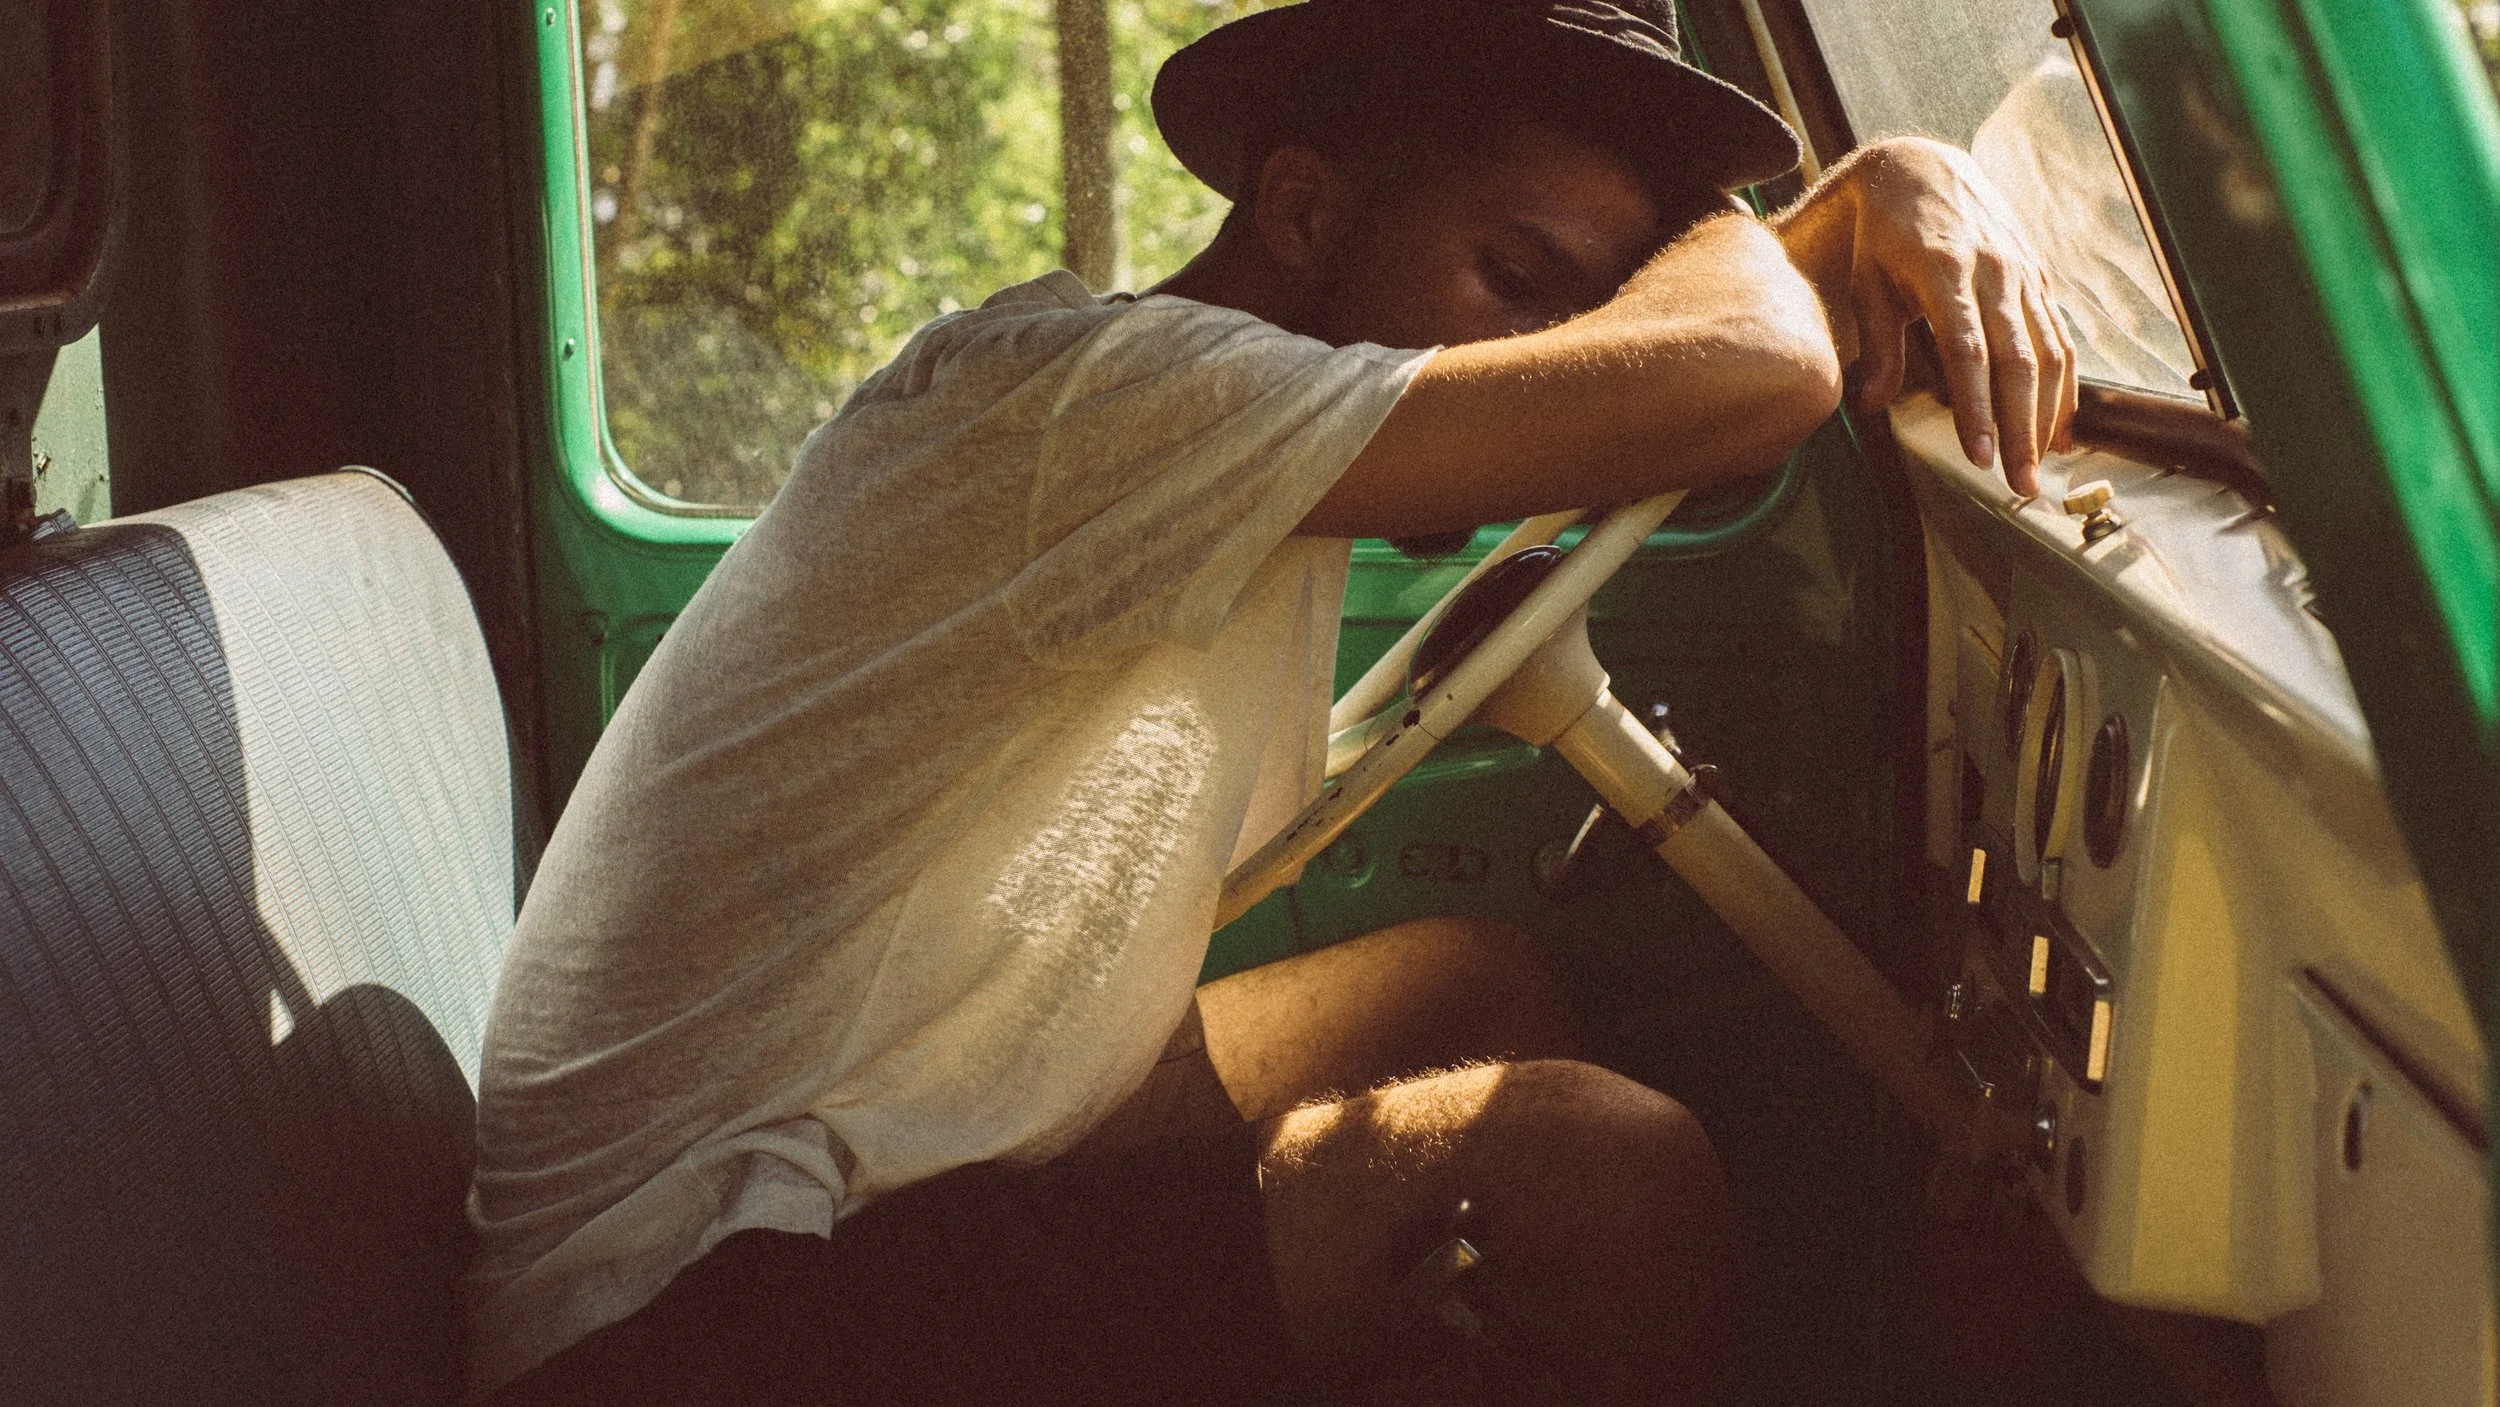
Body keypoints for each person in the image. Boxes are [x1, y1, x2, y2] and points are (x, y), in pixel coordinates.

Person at [466, 1, 2075, 1403]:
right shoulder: (1093, 401)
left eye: (1579, 310)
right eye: (1517, 277)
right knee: (1609, 1178)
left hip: (899, 1153)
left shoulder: (1261, 422)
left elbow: (1671, 376)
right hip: (691, 1314)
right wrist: (1853, 190)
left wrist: (1837, 213)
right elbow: (1749, 376)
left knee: (1471, 988)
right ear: (1302, 208)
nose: (1550, 357)